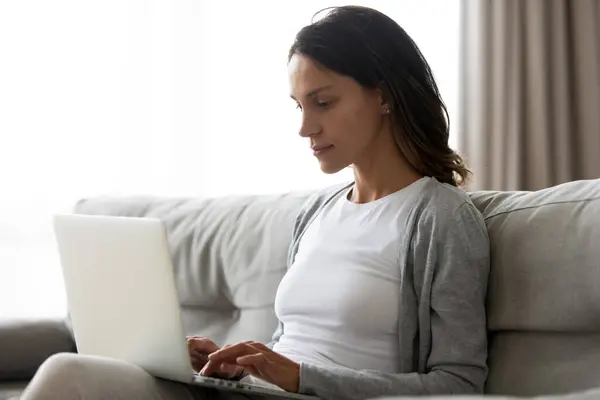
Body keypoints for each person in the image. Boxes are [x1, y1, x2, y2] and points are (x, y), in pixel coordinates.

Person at [21, 5, 490, 400]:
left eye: (322, 103)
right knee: (72, 373)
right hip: (256, 394)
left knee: (70, 376)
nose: (305, 128)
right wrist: (234, 360)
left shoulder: (442, 219)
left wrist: (300, 378)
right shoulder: (317, 215)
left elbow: (460, 384)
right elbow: (294, 345)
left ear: (383, 95)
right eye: (299, 105)